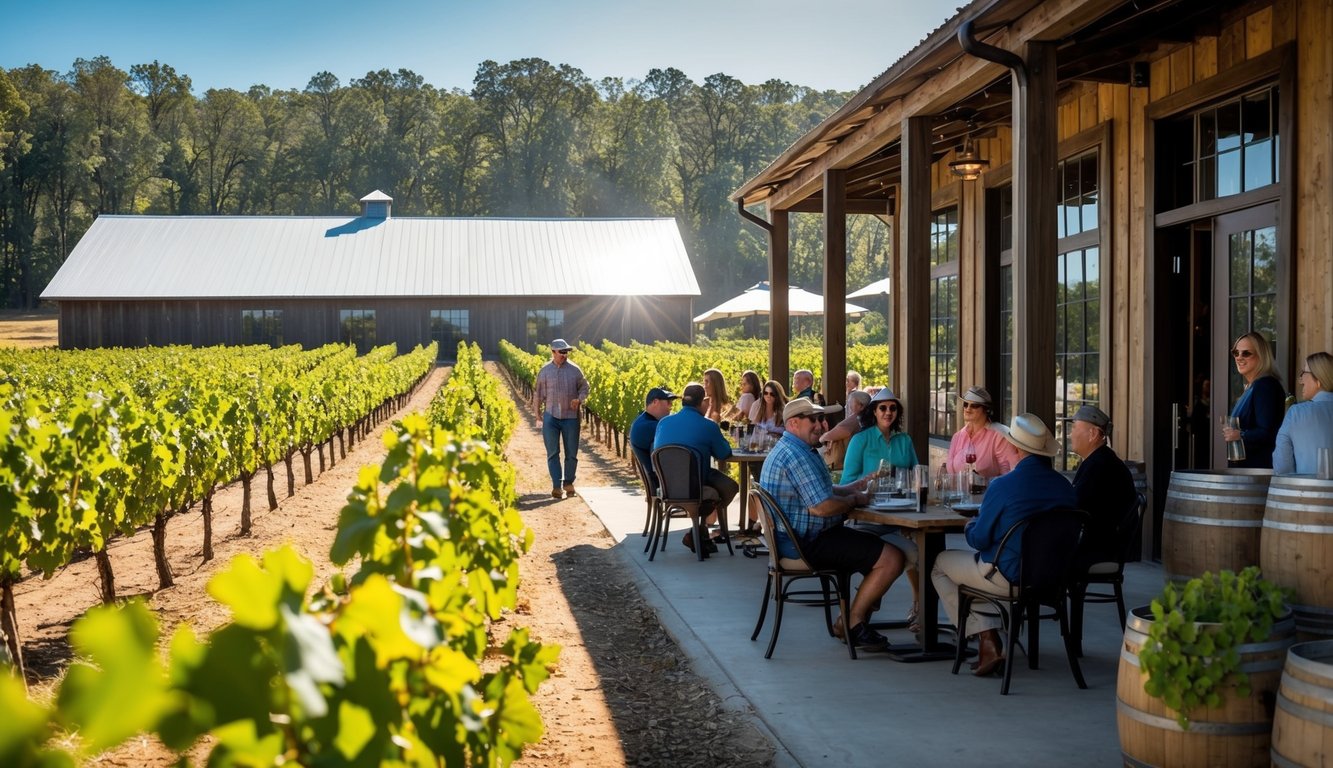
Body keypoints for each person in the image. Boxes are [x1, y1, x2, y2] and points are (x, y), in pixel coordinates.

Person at [931, 413, 1077, 677]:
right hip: (1053, 579)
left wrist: (969, 525)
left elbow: (979, 539)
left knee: (940, 564)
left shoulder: (1003, 485)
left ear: (1017, 448)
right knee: (977, 574)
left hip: (1008, 576)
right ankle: (990, 635)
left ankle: (986, 636)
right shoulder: (1065, 487)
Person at [759, 397, 907, 651]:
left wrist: (853, 486)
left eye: (821, 418)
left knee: (876, 548)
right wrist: (854, 500)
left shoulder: (792, 449)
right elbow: (821, 507)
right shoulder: (798, 456)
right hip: (806, 544)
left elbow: (821, 491)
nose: (821, 424)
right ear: (794, 423)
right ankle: (852, 622)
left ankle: (853, 619)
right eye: (813, 420)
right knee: (892, 558)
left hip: (793, 541)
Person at [653, 382, 740, 554]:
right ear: (702, 403)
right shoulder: (708, 426)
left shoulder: (664, 423)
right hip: (696, 483)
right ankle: (699, 532)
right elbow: (724, 453)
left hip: (667, 485)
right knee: (730, 487)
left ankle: (700, 534)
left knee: (713, 486)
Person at [1067, 405, 1137, 568]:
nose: (1071, 434)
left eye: (1075, 427)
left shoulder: (1100, 465)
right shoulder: (1101, 459)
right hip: (1102, 543)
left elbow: (1075, 507)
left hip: (1099, 549)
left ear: (1092, 434)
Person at [533, 338, 590, 500]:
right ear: (553, 352)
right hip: (551, 416)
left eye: (566, 352)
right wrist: (537, 415)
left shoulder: (575, 370)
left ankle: (569, 483)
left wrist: (579, 398)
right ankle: (556, 486)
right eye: (562, 352)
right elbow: (537, 394)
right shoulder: (544, 371)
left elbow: (585, 387)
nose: (565, 355)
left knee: (571, 453)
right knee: (552, 453)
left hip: (571, 417)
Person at [1221, 331, 1286, 469]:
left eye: (1246, 353)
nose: (1239, 357)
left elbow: (1268, 432)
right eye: (1235, 352)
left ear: (1261, 356)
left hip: (1257, 472)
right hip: (1249, 471)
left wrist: (1240, 435)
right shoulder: (1254, 386)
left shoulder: (1265, 385)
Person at [1274, 352, 1333, 475]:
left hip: (1308, 492)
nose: (1301, 381)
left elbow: (1283, 468)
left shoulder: (1296, 413)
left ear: (1318, 379)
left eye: (1304, 373)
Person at [841, 388, 917, 482]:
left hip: (904, 496)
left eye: (893, 408)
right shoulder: (859, 440)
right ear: (874, 412)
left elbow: (916, 475)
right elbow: (846, 481)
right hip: (867, 496)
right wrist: (868, 480)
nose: (888, 412)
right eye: (883, 408)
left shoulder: (905, 440)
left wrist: (895, 472)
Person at [944, 386, 1020, 479]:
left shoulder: (999, 436)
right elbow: (950, 473)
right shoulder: (957, 437)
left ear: (986, 409)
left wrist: (982, 481)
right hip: (956, 493)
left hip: (988, 493)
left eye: (974, 405)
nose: (968, 409)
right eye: (965, 404)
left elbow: (1011, 474)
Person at [629, 386, 680, 492]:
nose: (671, 407)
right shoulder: (650, 426)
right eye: (668, 402)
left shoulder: (643, 422)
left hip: (660, 482)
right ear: (655, 402)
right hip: (662, 485)